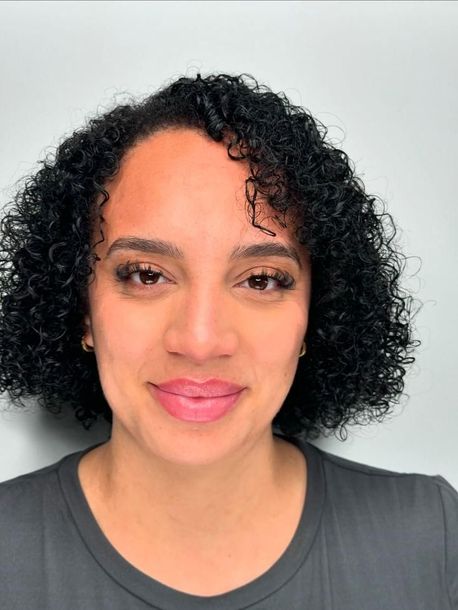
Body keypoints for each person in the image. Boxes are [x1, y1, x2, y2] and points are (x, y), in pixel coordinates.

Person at [0, 73, 456, 609]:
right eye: (147, 275)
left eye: (261, 280)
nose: (200, 340)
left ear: (317, 312)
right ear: (82, 310)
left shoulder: (432, 538)